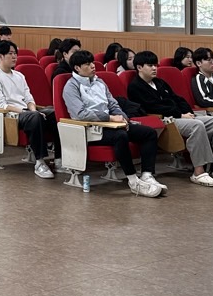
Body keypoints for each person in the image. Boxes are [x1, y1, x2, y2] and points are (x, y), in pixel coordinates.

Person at [128, 51, 213, 187]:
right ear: (139, 67)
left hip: (181, 116)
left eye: (155, 65)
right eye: (150, 65)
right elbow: (153, 107)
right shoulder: (135, 87)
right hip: (164, 120)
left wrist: (187, 112)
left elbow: (178, 99)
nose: (154, 68)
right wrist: (180, 115)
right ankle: (199, 172)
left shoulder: (159, 82)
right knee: (196, 125)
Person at [62, 50, 164, 197]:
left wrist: (123, 118)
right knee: (120, 136)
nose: (93, 66)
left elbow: (113, 104)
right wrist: (109, 118)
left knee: (149, 133)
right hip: (90, 129)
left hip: (112, 124)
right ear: (77, 68)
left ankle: (147, 175)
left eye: (92, 62)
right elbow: (80, 114)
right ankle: (133, 181)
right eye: (87, 64)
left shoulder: (99, 82)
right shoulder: (71, 86)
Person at [0, 40, 59, 179]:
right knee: (35, 117)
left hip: (26, 111)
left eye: (15, 53)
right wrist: (27, 112)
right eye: (10, 53)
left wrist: (33, 109)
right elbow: (1, 105)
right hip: (10, 115)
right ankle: (39, 162)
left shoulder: (19, 75)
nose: (14, 57)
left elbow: (29, 98)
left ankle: (59, 158)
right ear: (0, 56)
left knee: (54, 113)